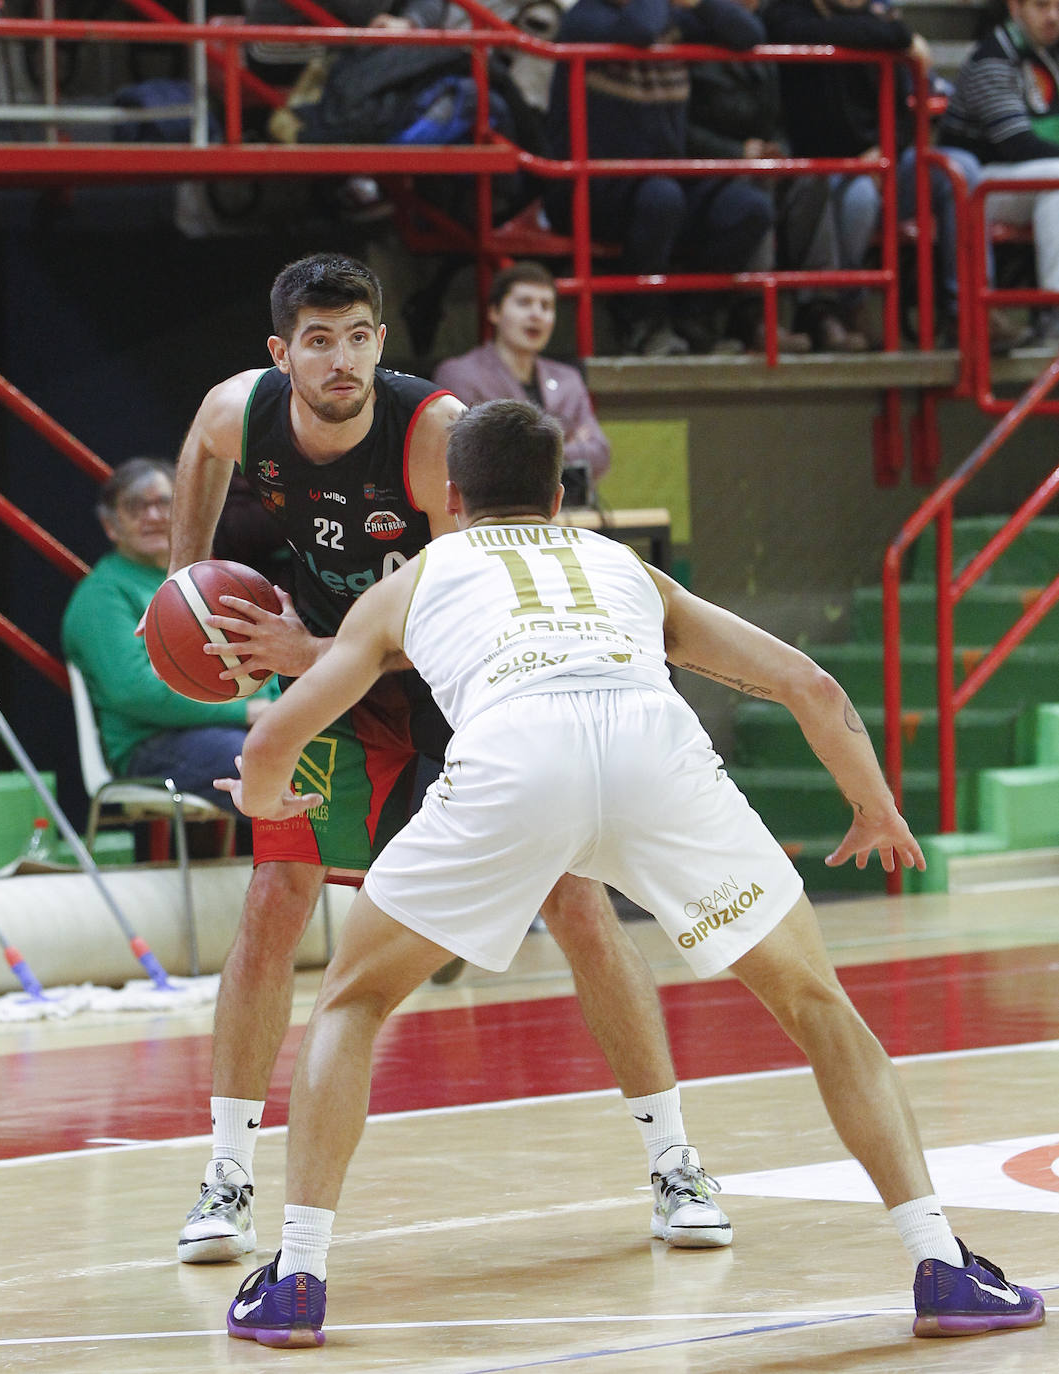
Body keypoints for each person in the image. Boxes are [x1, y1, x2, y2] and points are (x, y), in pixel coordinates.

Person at [217, 399, 1045, 1349]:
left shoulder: (417, 576)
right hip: (656, 752)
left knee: (353, 1004)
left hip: (513, 760)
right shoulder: (627, 569)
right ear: (561, 493)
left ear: (448, 496)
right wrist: (874, 807)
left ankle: (298, 1281)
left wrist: (264, 797)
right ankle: (939, 1262)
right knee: (820, 1007)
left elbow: (282, 729)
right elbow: (808, 685)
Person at [168, 254, 728, 1266]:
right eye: (320, 340)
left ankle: (675, 1159)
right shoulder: (233, 415)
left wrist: (317, 654)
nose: (342, 360)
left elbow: (466, 601)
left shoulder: (431, 436)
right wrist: (183, 583)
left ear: (382, 340)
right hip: (342, 675)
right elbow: (201, 463)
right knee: (276, 892)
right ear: (281, 352)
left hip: (457, 675)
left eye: (360, 337)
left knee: (575, 900)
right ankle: (226, 1174)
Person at [764, 0, 1025, 352]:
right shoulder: (789, 16)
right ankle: (845, 309)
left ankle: (968, 312)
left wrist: (886, 150)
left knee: (959, 169)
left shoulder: (878, 21)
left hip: (885, 160)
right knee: (857, 195)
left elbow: (905, 112)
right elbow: (814, 38)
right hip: (823, 170)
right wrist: (896, 35)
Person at [542, 0, 775, 357]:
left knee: (749, 207)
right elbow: (638, 32)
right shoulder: (586, 18)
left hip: (663, 181)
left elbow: (748, 35)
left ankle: (693, 318)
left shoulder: (665, 18)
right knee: (662, 197)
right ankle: (640, 323)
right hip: (589, 187)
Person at [61, 457, 271, 838]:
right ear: (111, 525)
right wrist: (247, 709)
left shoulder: (206, 578)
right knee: (265, 762)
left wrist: (277, 708)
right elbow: (134, 691)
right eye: (136, 506)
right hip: (150, 745)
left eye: (164, 503)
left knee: (321, 748)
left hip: (231, 730)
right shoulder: (102, 594)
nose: (153, 515)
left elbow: (258, 655)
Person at [683, 0, 857, 352]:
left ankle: (819, 309)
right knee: (756, 182)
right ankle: (755, 314)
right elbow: (676, 127)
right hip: (702, 170)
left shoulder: (766, 29)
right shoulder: (686, 29)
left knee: (810, 177)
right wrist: (736, 153)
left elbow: (775, 116)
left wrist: (778, 149)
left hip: (755, 154)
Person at [938, 0, 1059, 345]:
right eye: (1041, 6)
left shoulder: (1051, 54)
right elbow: (1016, 144)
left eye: (1058, 6)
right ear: (1015, 8)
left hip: (1028, 179)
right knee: (1057, 177)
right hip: (976, 182)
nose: (1052, 16)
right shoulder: (993, 56)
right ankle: (1054, 310)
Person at [432, 261, 611, 484]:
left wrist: (518, 448)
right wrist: (567, 445)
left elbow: (600, 453)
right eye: (524, 303)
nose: (536, 314)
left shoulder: (568, 379)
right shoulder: (460, 374)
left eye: (546, 306)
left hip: (565, 511)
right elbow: (473, 456)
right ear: (494, 312)